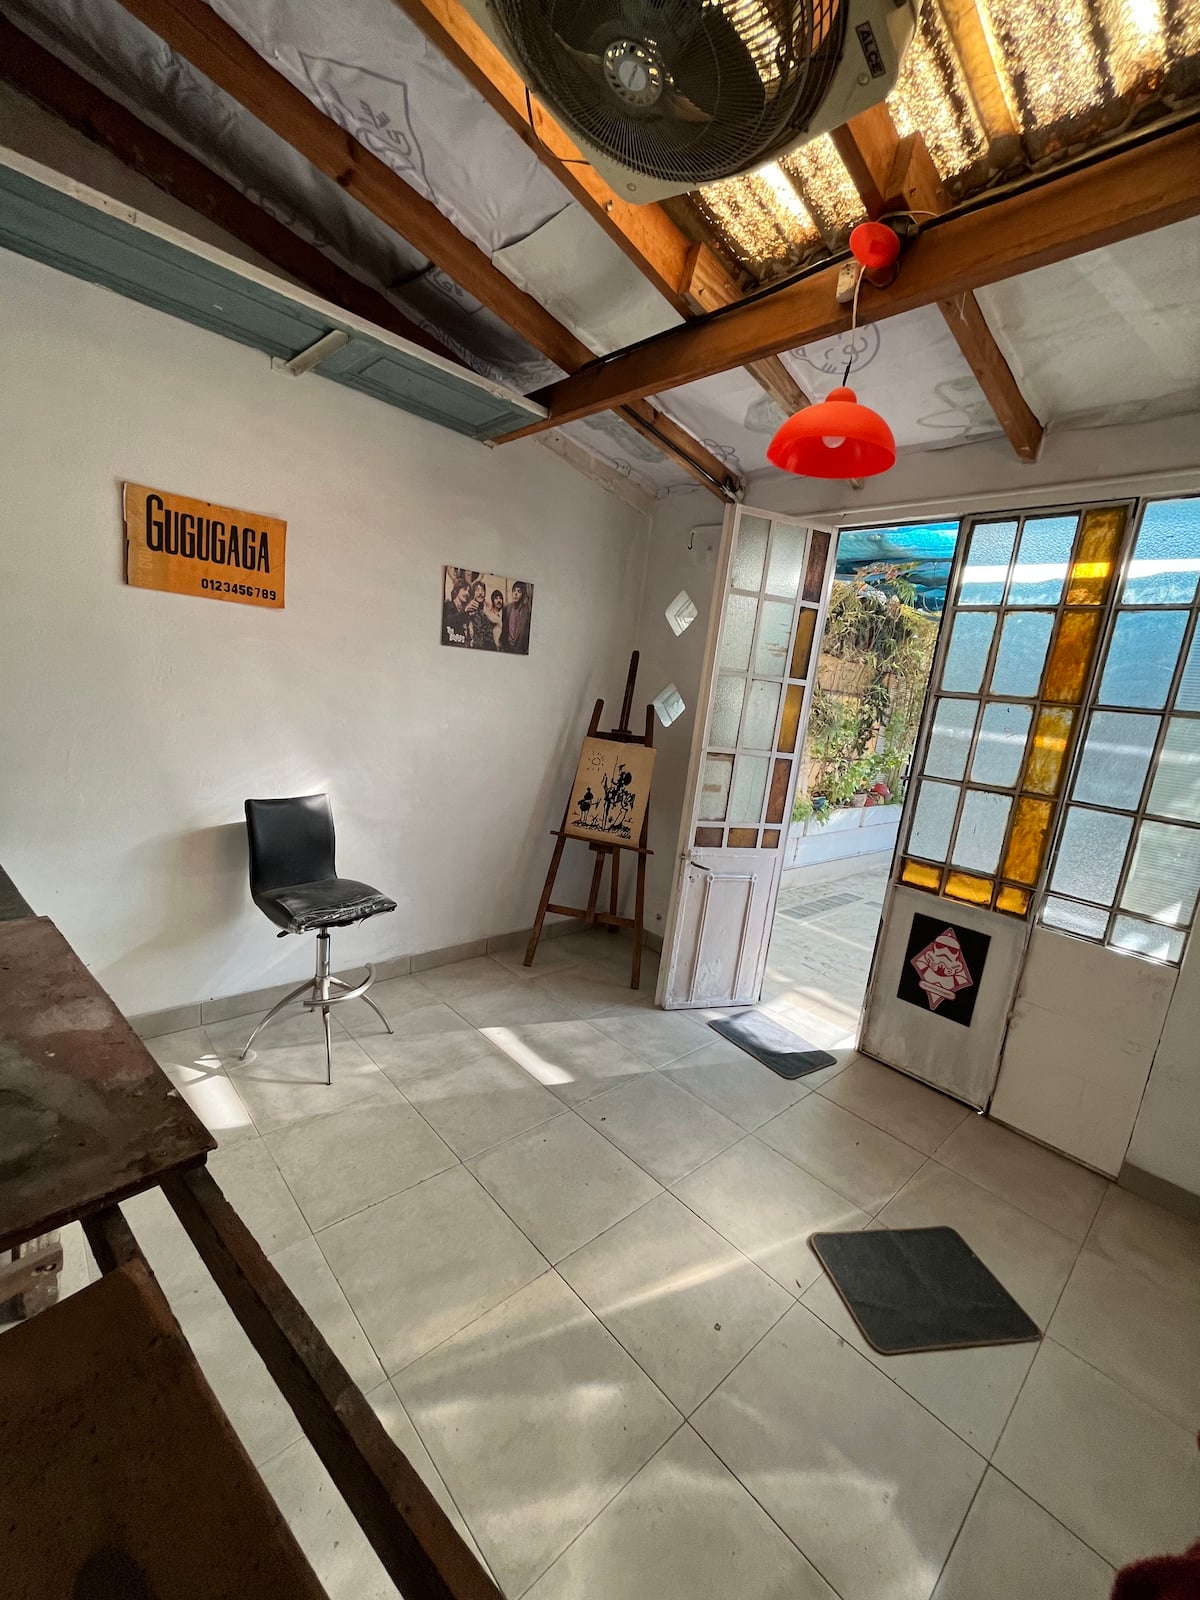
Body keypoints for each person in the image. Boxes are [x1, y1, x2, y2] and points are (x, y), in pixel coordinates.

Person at [500, 580, 533, 654]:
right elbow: (504, 628)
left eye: (519, 591)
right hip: (508, 647)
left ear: (523, 594)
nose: (516, 594)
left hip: (520, 649)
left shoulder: (526, 610)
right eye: (514, 591)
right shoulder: (507, 608)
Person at [466, 579, 497, 649]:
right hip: (475, 646)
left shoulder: (489, 606)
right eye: (477, 590)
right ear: (473, 593)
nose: (480, 593)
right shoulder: (469, 607)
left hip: (490, 645)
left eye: (482, 590)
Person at [442, 579, 472, 647]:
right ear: (457, 590)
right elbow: (449, 621)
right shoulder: (448, 605)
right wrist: (465, 612)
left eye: (469, 591)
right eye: (464, 589)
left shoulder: (466, 611)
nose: (467, 593)